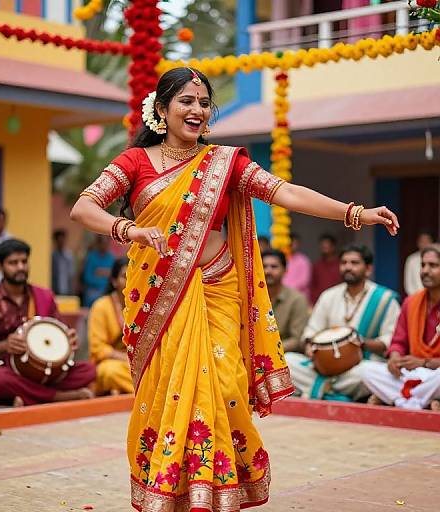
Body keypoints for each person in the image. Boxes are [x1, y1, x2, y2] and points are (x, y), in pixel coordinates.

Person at [70, 67, 398, 511]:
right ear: (161, 109)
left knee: (225, 385)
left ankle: (216, 494)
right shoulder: (135, 162)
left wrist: (355, 213)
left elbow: (287, 193)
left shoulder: (225, 163)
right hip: (159, 297)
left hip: (218, 289)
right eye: (186, 101)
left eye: (204, 103)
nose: (198, 110)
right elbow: (83, 206)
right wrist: (127, 229)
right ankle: (169, 493)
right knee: (169, 395)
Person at [0, 239, 95, 407]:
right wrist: (5, 345)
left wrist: (68, 339)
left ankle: (25, 396)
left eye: (24, 261)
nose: (20, 267)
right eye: (13, 263)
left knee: (88, 370)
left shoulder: (44, 295)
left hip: (46, 370)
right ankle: (58, 396)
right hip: (9, 369)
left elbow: (59, 329)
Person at [286, 245, 400, 401]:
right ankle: (336, 393)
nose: (348, 267)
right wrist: (309, 347)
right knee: (288, 361)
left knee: (372, 373)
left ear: (368, 269)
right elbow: (311, 331)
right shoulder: (329, 295)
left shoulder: (384, 299)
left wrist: (359, 343)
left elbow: (390, 339)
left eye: (354, 263)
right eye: (344, 262)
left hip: (360, 364)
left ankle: (316, 390)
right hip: (324, 366)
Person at [362, 245, 440, 411]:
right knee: (365, 370)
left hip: (435, 373)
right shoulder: (411, 302)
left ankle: (400, 401)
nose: (425, 270)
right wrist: (395, 359)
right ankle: (421, 403)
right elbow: (398, 341)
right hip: (410, 374)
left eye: (433, 266)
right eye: (423, 265)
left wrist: (424, 363)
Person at [88, 257, 134, 395]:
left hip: (134, 364)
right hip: (113, 363)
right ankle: (145, 393)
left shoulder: (142, 306)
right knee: (109, 371)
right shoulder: (101, 307)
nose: (130, 280)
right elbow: (97, 348)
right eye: (124, 276)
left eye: (133, 274)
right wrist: (125, 359)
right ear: (114, 281)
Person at [262, 249, 309, 353]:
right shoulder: (252, 298)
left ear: (285, 270)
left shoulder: (296, 299)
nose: (267, 271)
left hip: (285, 355)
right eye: (264, 266)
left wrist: (270, 351)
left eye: (274, 267)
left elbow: (297, 339)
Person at [82, 235, 115, 307]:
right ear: (98, 243)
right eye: (103, 242)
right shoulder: (91, 257)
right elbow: (87, 277)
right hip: (93, 290)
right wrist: (105, 274)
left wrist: (100, 273)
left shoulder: (111, 258)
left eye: (107, 243)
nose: (105, 245)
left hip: (107, 290)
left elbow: (113, 276)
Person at [310, 233, 342, 304]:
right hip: (320, 302)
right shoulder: (317, 265)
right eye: (323, 247)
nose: (324, 249)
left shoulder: (341, 265)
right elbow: (313, 286)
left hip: (338, 301)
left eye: (327, 246)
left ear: (333, 247)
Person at [404, 229, 435, 296]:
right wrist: (418, 298)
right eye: (422, 241)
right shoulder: (411, 259)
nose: (424, 244)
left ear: (432, 243)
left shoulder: (436, 259)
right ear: (418, 243)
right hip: (416, 298)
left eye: (427, 241)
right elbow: (409, 284)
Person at [282, 232, 312, 300]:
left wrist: (288, 289)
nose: (294, 246)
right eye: (292, 243)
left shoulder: (303, 260)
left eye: (296, 243)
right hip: (283, 294)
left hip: (298, 296)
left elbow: (305, 280)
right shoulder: (284, 259)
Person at [51, 229, 75, 296]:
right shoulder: (52, 256)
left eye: (62, 240)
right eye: (59, 240)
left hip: (68, 289)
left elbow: (72, 274)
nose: (61, 242)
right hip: (55, 288)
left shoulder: (69, 256)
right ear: (55, 241)